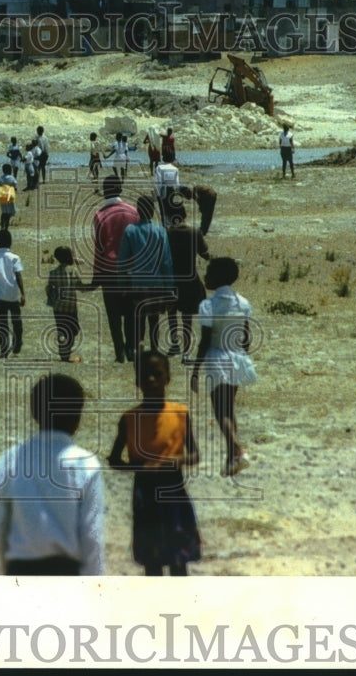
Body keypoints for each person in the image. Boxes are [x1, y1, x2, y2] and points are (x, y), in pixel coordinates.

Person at [0, 373, 104, 576]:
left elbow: (0, 527)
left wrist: (4, 571)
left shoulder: (10, 459)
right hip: (66, 572)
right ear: (77, 416)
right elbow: (92, 535)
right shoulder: (85, 463)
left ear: (35, 413)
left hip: (20, 569)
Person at [108, 351, 201, 576]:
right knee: (152, 559)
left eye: (157, 374)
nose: (151, 380)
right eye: (145, 375)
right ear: (137, 380)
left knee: (179, 556)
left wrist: (174, 461)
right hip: (145, 492)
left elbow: (195, 455)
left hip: (173, 488)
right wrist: (141, 467)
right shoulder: (130, 419)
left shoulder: (180, 414)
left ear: (167, 378)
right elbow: (114, 460)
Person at [191, 256, 254, 478]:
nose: (205, 275)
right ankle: (231, 459)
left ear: (217, 277)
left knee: (220, 410)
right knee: (229, 408)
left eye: (208, 272)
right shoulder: (243, 303)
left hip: (217, 358)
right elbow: (246, 337)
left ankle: (238, 449)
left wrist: (196, 370)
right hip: (238, 357)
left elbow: (205, 340)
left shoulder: (208, 305)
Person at [118, 195, 175, 357]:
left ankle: (139, 349)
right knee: (154, 319)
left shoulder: (130, 231)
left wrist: (122, 285)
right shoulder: (160, 231)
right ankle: (155, 349)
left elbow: (122, 261)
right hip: (157, 282)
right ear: (152, 211)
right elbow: (166, 261)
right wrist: (169, 287)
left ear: (138, 211)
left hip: (137, 282)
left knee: (139, 319)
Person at [91, 175, 139, 364]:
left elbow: (99, 248)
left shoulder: (100, 215)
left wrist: (97, 275)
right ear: (120, 188)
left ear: (104, 190)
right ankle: (131, 348)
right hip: (131, 269)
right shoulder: (133, 211)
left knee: (113, 315)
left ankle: (119, 352)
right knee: (130, 313)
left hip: (109, 270)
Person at [165, 210, 210, 359]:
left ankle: (174, 343)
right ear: (185, 216)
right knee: (187, 316)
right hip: (190, 279)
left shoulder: (167, 233)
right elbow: (204, 252)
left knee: (172, 312)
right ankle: (187, 351)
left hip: (172, 278)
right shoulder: (194, 232)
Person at [0, 229, 25, 359]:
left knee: (1, 324)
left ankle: (4, 350)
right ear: (11, 242)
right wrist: (23, 293)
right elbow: (18, 276)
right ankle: (17, 342)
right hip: (13, 295)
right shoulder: (15, 258)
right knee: (17, 322)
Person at [45, 246, 85, 363]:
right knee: (73, 330)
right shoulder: (73, 272)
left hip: (58, 308)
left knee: (62, 329)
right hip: (71, 307)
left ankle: (64, 353)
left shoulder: (53, 273)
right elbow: (80, 287)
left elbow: (48, 288)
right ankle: (65, 354)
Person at [154, 154, 180, 227]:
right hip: (171, 190)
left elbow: (158, 182)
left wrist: (157, 194)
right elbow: (177, 183)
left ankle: (165, 226)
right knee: (170, 208)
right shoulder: (175, 169)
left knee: (163, 210)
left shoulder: (159, 167)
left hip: (163, 190)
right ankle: (170, 226)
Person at [0, 163, 18, 231]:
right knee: (8, 213)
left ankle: (2, 226)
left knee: (3, 212)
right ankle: (6, 227)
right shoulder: (12, 178)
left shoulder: (1, 178)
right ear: (10, 170)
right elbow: (15, 185)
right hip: (9, 197)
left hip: (2, 197)